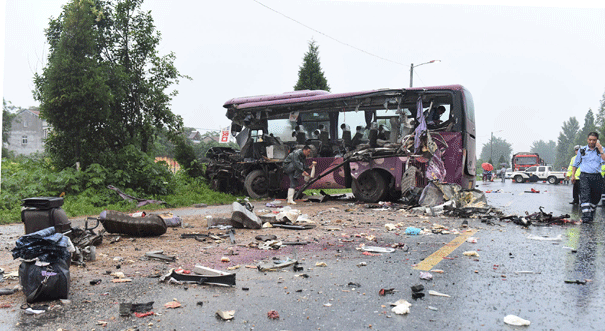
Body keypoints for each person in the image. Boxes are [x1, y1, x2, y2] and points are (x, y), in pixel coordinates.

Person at [571, 132, 605, 223]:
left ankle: (591, 211)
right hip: (585, 176)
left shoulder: (601, 150)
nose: (591, 142)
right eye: (590, 140)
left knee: (596, 196)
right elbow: (576, 163)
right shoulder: (582, 150)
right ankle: (586, 217)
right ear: (587, 140)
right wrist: (573, 175)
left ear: (597, 140)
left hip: (597, 176)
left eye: (594, 140)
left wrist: (601, 150)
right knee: (585, 195)